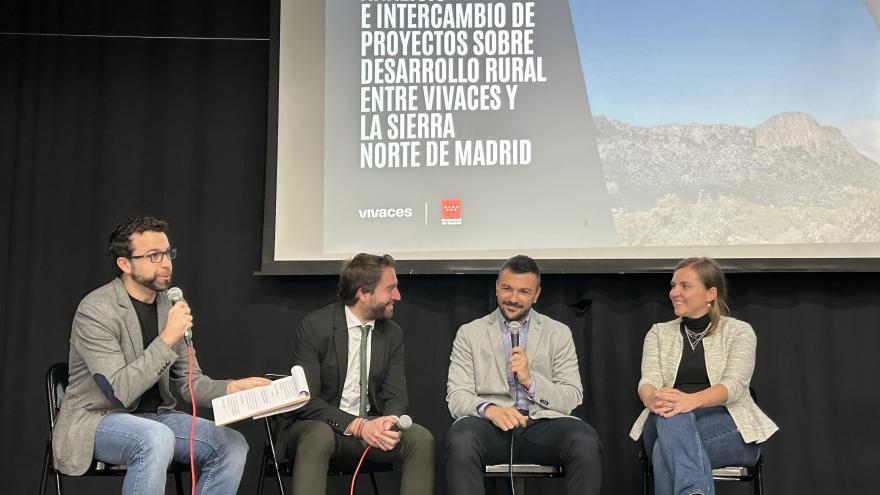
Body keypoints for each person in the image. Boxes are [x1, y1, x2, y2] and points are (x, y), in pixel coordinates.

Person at [52, 216, 271, 494]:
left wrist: (233, 388)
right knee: (155, 437)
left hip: (156, 419)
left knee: (232, 444)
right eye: (154, 256)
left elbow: (191, 385)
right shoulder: (96, 310)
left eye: (168, 253)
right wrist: (169, 335)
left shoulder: (169, 305)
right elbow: (120, 391)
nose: (166, 262)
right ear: (125, 264)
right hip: (97, 420)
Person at [273, 253, 434, 495]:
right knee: (318, 435)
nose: (397, 296)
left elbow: (396, 395)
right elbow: (305, 400)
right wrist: (357, 426)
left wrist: (388, 422)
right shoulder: (316, 326)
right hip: (322, 428)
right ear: (363, 293)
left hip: (371, 430)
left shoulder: (392, 334)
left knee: (420, 439)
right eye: (390, 289)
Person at [446, 255, 602, 495]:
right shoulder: (470, 333)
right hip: (490, 427)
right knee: (462, 438)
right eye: (507, 289)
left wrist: (530, 381)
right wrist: (490, 410)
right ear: (497, 287)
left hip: (541, 425)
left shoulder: (558, 333)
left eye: (523, 292)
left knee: (584, 440)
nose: (513, 299)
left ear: (536, 294)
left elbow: (571, 396)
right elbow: (456, 396)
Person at [630, 257, 778, 495]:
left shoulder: (739, 331)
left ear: (711, 293)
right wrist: (652, 398)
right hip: (663, 420)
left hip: (728, 426)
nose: (674, 293)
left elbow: (735, 385)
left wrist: (690, 401)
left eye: (684, 286)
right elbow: (648, 381)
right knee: (672, 415)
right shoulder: (659, 333)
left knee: (663, 452)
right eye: (673, 285)